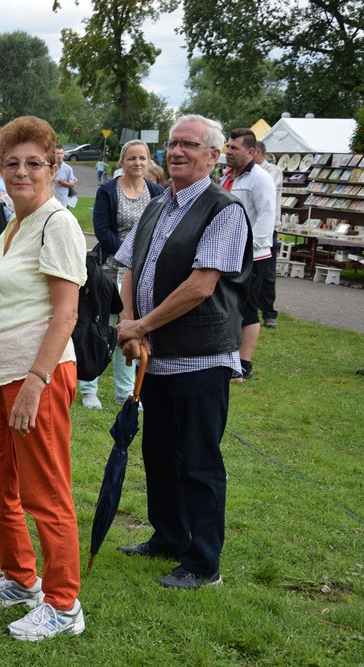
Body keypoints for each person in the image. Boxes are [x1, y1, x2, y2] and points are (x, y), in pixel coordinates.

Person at [114, 114, 251, 589]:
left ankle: (203, 562)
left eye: (189, 145)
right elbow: (129, 266)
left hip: (200, 357)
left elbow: (200, 286)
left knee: (198, 460)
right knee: (159, 453)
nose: (176, 151)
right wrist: (132, 325)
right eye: (172, 143)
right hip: (157, 355)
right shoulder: (157, 205)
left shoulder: (223, 209)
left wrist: (141, 326)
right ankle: (169, 536)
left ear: (214, 156)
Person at [0, 116, 87, 642]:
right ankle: (20, 579)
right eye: (11, 162)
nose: (21, 171)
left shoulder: (57, 223)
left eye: (33, 162)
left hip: (34, 375)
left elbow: (66, 313)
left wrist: (36, 381)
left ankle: (63, 604)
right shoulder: (13, 223)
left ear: (54, 167)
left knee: (46, 493)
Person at [79, 139, 164, 409]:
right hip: (109, 268)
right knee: (100, 324)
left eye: (142, 158)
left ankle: (125, 391)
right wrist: (132, 254)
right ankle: (89, 388)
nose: (137, 163)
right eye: (132, 158)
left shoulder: (156, 192)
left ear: (149, 161)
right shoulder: (108, 190)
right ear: (122, 162)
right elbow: (102, 230)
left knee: (129, 329)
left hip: (140, 273)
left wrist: (142, 260)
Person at [222, 128, 275, 381]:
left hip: (253, 255)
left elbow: (267, 216)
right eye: (228, 147)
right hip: (229, 253)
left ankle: (244, 364)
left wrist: (249, 249)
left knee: (249, 308)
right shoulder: (227, 177)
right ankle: (230, 357)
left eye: (234, 148)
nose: (228, 152)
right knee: (231, 305)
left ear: (252, 152)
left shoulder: (260, 178)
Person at [254, 141, 282, 329]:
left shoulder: (271, 171)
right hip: (250, 228)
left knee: (267, 274)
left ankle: (269, 313)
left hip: (268, 229)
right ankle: (248, 309)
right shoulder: (242, 174)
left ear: (255, 152)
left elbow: (266, 187)